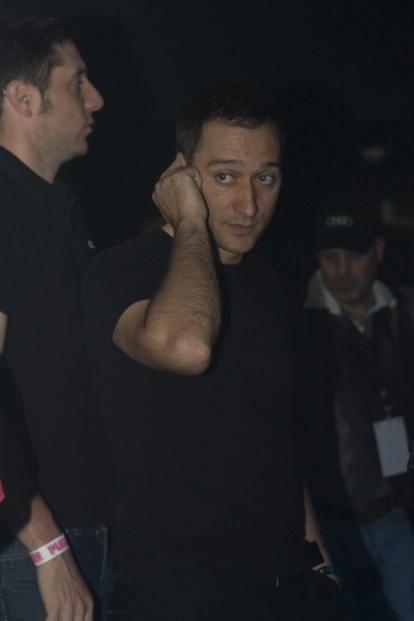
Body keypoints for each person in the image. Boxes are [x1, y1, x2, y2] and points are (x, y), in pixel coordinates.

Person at [82, 83, 351, 620]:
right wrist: (189, 219)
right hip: (181, 588)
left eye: (265, 178)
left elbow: (275, 434)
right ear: (181, 174)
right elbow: (187, 348)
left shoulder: (266, 283)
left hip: (289, 581)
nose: (248, 204)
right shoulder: (121, 270)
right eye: (225, 176)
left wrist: (321, 564)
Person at [0, 16, 116, 620]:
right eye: (78, 82)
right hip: (28, 551)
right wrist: (46, 546)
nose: (96, 98)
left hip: (89, 532)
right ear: (23, 98)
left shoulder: (60, 208)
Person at [296, 197, 414, 620]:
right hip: (330, 528)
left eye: (353, 254)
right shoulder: (294, 326)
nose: (342, 269)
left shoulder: (406, 312)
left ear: (378, 249)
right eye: (330, 256)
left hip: (398, 518)